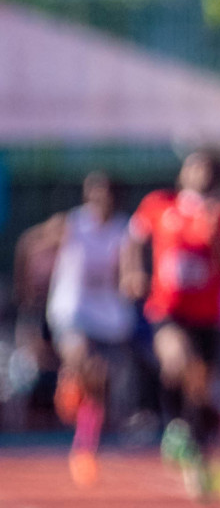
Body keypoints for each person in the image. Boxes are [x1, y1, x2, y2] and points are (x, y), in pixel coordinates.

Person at [121, 151, 220, 498]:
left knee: (201, 388)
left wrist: (217, 242)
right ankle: (175, 427)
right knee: (178, 360)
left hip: (208, 315)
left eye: (207, 170)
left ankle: (194, 454)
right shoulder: (160, 205)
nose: (199, 174)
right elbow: (132, 240)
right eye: (194, 167)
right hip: (167, 309)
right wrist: (132, 272)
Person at [46, 172, 136, 486]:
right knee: (81, 359)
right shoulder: (71, 224)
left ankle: (84, 448)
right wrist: (28, 285)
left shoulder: (125, 228)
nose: (103, 200)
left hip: (107, 315)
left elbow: (129, 263)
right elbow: (31, 243)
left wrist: (130, 280)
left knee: (97, 383)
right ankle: (70, 380)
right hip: (71, 310)